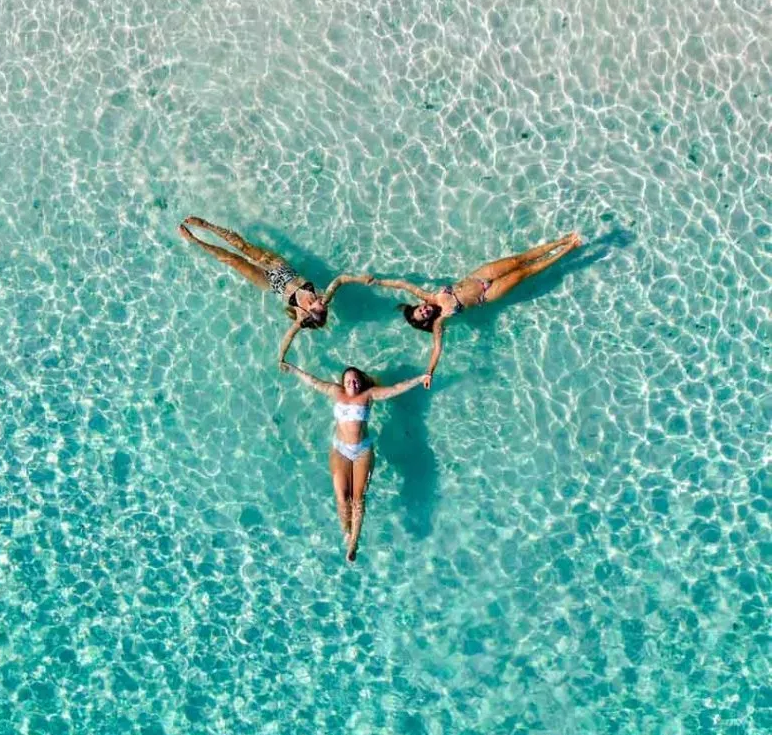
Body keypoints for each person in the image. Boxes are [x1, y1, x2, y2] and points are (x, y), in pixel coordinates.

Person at [372, 232, 581, 387]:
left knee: (519, 259)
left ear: (419, 305)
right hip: (486, 295)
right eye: (423, 315)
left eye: (420, 309)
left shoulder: (430, 296)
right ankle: (567, 250)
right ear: (427, 321)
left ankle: (563, 239)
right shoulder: (440, 321)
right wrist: (429, 372)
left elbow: (403, 284)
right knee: (525, 273)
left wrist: (379, 282)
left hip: (478, 276)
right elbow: (437, 348)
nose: (425, 310)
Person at [280, 360, 428, 561]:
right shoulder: (335, 391)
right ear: (343, 382)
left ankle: (353, 543)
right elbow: (313, 381)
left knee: (358, 499)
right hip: (340, 450)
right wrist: (293, 369)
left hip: (362, 451)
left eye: (356, 380)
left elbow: (395, 389)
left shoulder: (369, 395)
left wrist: (421, 378)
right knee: (342, 497)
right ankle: (346, 530)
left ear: (361, 383)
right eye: (349, 381)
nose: (353, 384)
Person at [179, 217, 372, 359]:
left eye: (315, 304)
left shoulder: (301, 316)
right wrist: (359, 279)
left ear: (307, 311)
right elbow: (339, 280)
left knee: (233, 260)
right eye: (322, 303)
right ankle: (207, 225)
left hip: (269, 282)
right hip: (280, 267)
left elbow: (288, 337)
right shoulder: (324, 299)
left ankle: (195, 241)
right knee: (244, 247)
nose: (319, 300)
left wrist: (281, 357)